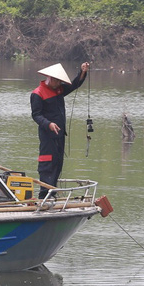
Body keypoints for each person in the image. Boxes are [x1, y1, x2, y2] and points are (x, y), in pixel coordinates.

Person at [30, 61, 89, 198]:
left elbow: (74, 85)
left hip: (60, 135)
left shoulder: (58, 90)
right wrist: (48, 124)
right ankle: (44, 195)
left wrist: (83, 72)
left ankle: (52, 192)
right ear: (51, 79)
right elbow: (36, 115)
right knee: (47, 163)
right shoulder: (37, 93)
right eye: (57, 81)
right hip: (47, 136)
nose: (59, 84)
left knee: (57, 162)